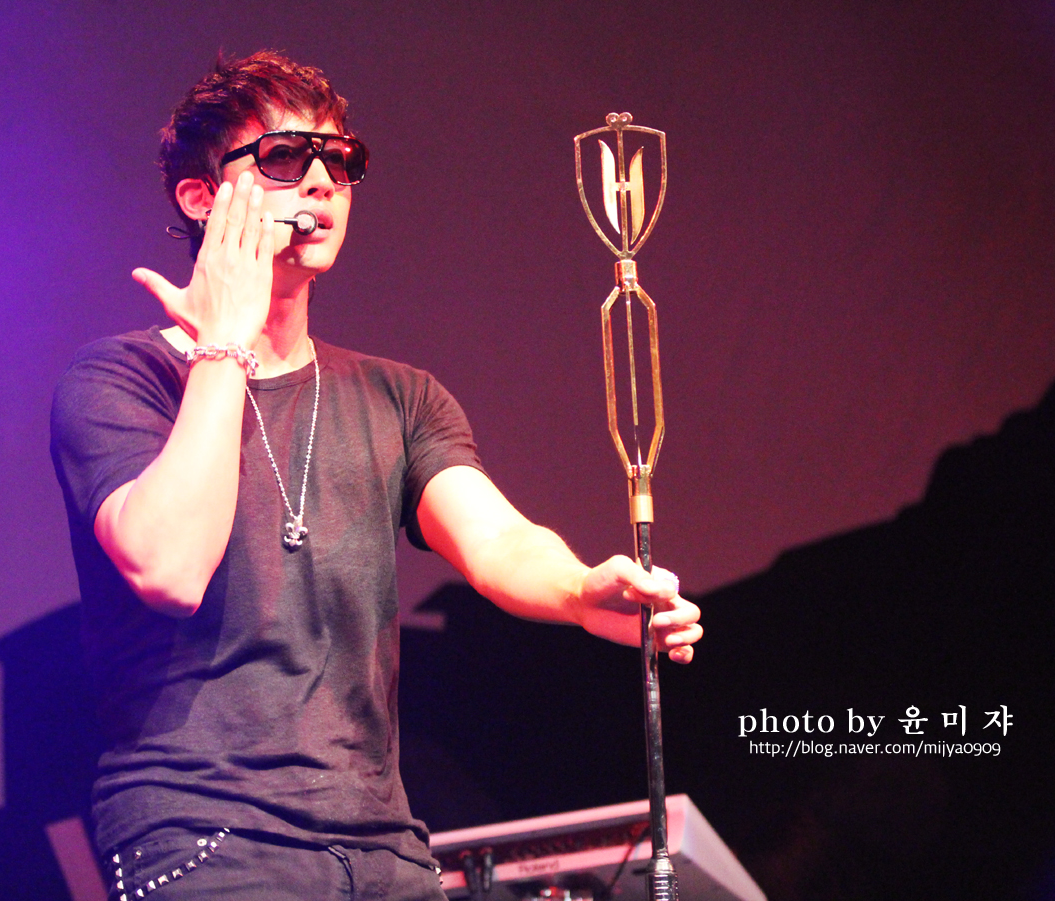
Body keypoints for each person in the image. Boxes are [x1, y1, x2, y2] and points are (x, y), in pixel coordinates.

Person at [51, 50, 702, 901]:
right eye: (284, 157)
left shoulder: (397, 396)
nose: (322, 182)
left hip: (383, 848)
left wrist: (582, 590)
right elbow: (168, 567)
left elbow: (498, 540)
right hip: (206, 840)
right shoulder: (120, 379)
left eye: (341, 161)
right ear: (201, 198)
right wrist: (225, 344)